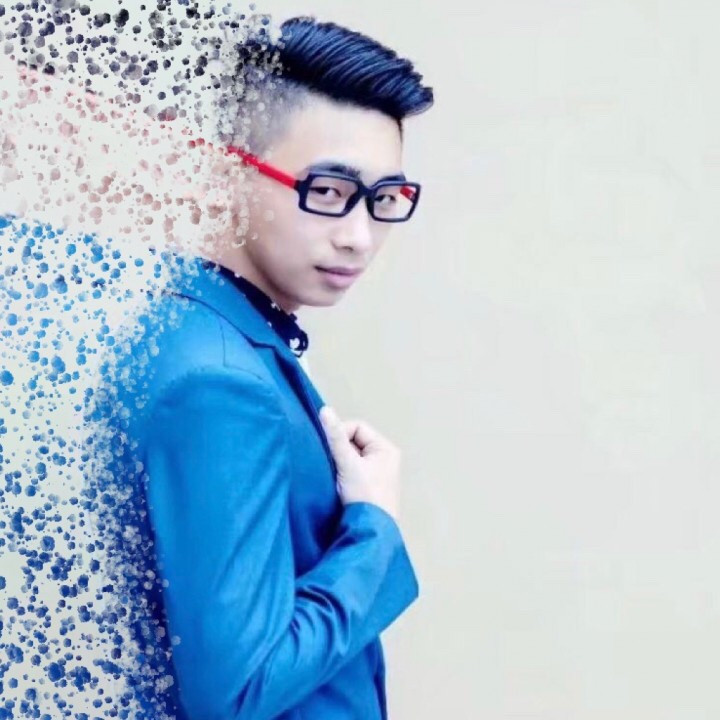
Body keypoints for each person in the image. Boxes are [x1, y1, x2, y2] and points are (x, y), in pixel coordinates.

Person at [93, 14, 434, 720]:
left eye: (384, 200)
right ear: (227, 176)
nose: (360, 236)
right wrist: (372, 527)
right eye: (328, 191)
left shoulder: (214, 336)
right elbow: (239, 693)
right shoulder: (215, 382)